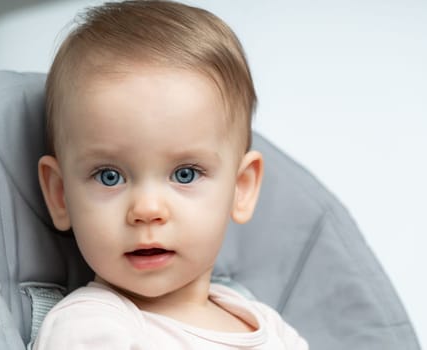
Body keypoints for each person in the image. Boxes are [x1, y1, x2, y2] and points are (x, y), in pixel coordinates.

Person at [34, 0, 308, 349]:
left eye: (185, 174)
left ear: (241, 188)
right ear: (60, 195)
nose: (147, 210)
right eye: (109, 176)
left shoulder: (272, 327)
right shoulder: (90, 327)